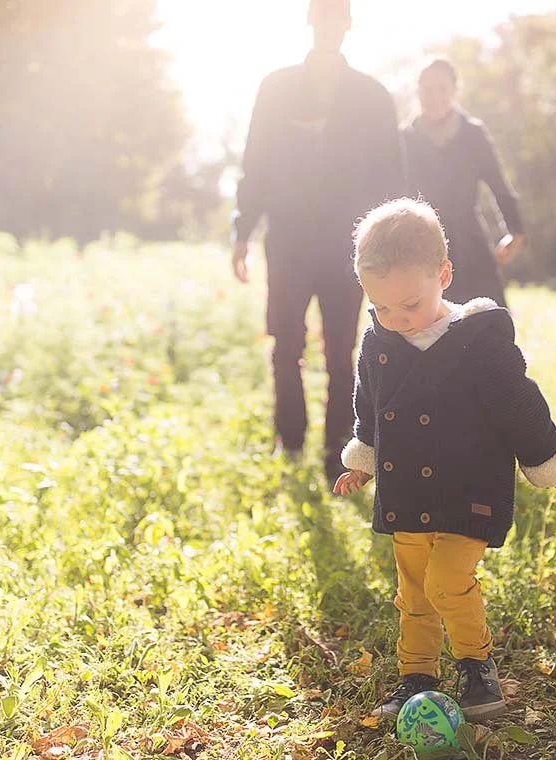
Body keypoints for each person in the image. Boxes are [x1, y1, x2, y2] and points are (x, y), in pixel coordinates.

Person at [332, 198, 556, 721]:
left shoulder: (477, 343)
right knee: (414, 592)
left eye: (410, 305)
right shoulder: (379, 341)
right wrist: (363, 461)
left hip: (470, 489)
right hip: (407, 493)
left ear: (444, 274)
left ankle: (475, 663)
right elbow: (369, 407)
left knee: (448, 581)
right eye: (382, 308)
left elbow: (520, 404)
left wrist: (545, 459)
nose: (397, 319)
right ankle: (416, 673)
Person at [231, 0, 405, 483]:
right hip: (286, 243)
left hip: (349, 250)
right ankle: (289, 444)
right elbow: (255, 165)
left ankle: (337, 453)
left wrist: (389, 248)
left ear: (349, 24)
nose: (330, 25)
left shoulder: (372, 96)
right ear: (310, 21)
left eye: (338, 17)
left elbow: (392, 177)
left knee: (341, 352)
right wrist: (242, 232)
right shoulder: (276, 88)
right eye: (322, 16)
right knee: (284, 346)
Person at [402, 59, 525, 307]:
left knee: (485, 321)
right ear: (417, 91)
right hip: (419, 246)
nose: (434, 96)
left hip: (470, 243)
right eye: (427, 89)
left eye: (442, 89)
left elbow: (498, 184)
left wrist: (515, 231)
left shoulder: (473, 134)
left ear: (455, 91)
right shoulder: (403, 138)